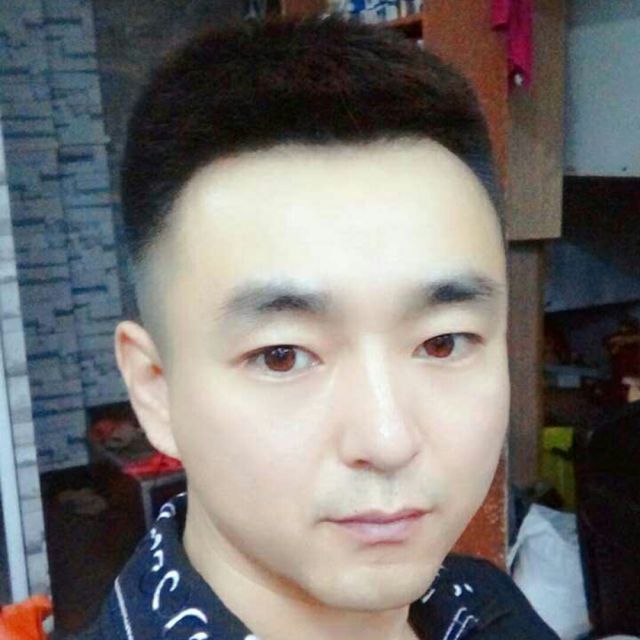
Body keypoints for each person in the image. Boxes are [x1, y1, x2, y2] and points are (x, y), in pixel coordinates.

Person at [60, 14, 559, 640]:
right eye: (282, 356)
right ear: (155, 388)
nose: (387, 440)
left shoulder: (487, 604)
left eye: (442, 343)